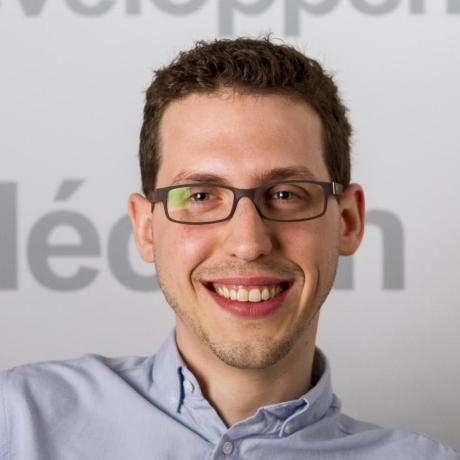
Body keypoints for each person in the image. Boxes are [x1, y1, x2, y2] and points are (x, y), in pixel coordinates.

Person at [0, 37, 458, 460]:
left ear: (348, 221)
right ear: (146, 229)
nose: (248, 242)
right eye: (201, 195)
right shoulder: (18, 421)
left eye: (286, 194)